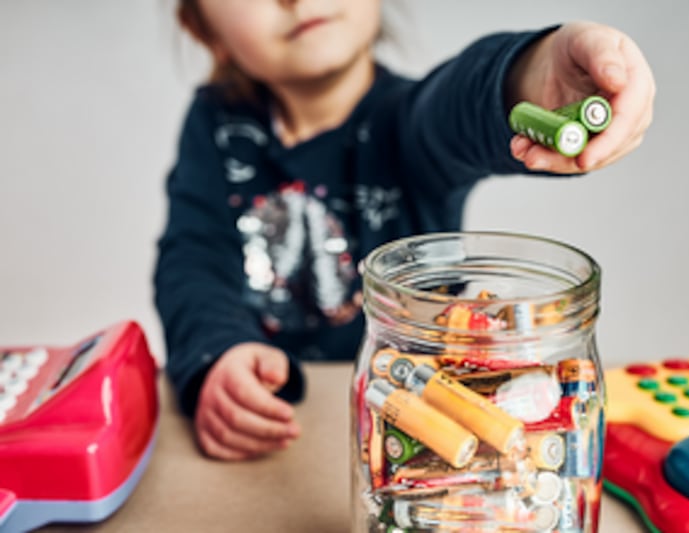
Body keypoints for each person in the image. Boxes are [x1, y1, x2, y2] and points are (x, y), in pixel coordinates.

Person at [154, 0, 655, 461]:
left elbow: (464, 100)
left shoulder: (410, 122)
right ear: (203, 28)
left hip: (426, 432)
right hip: (281, 438)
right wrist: (219, 351)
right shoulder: (215, 127)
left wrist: (535, 73)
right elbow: (192, 261)